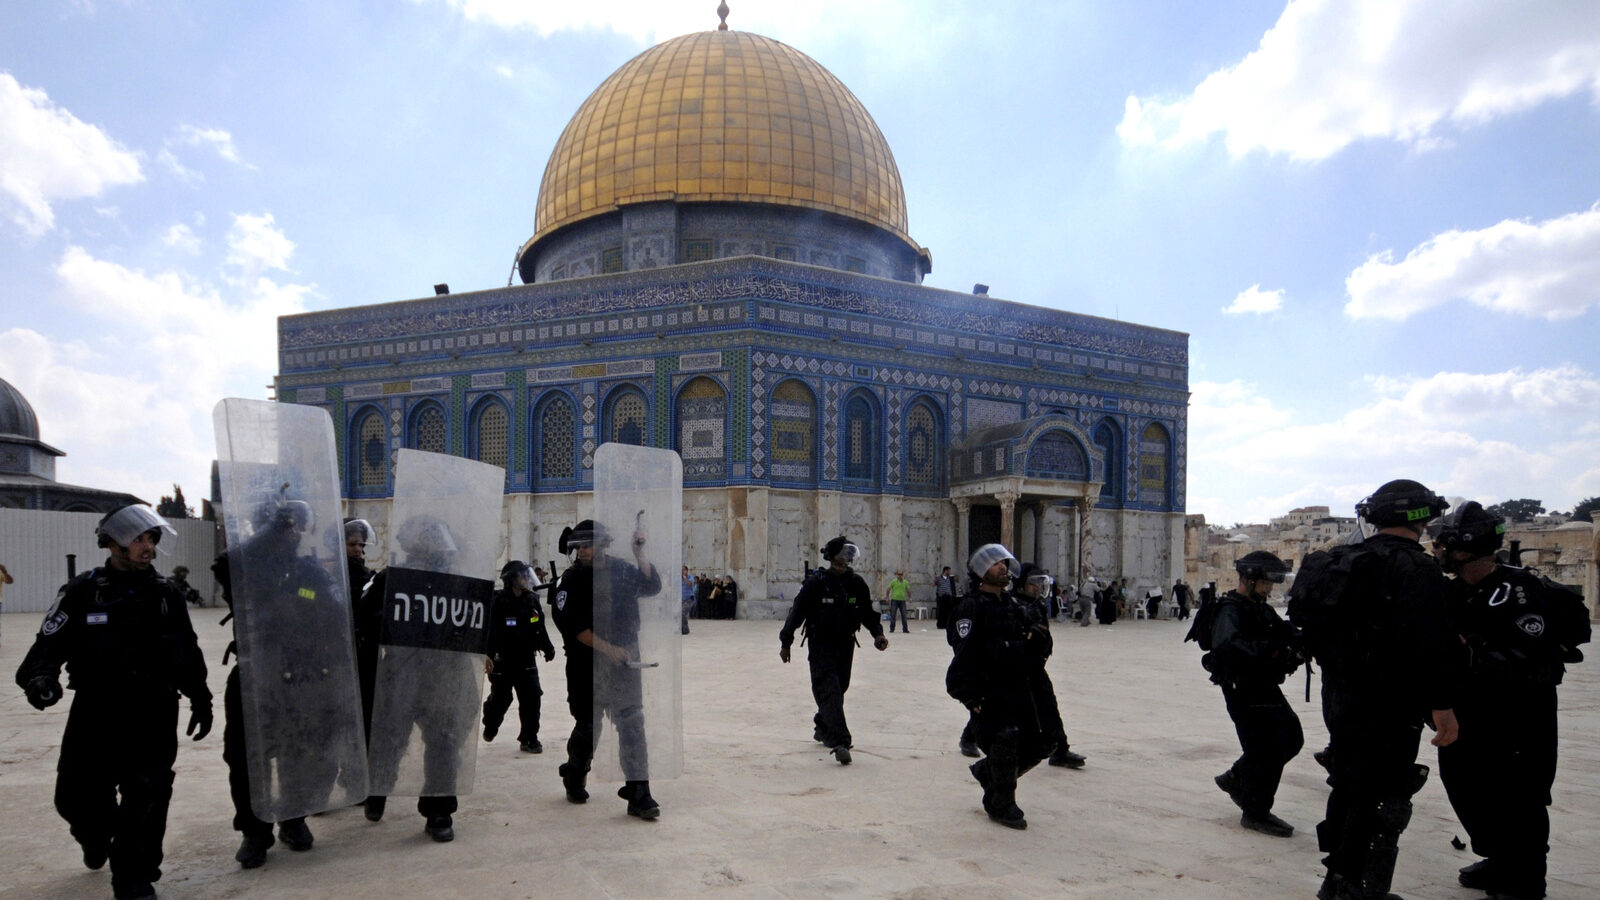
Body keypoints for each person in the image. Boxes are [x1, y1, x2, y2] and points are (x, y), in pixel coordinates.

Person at [15, 505, 212, 900]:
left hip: (153, 709)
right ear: (112, 542)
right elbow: (47, 645)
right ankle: (93, 837)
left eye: (152, 539)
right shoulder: (82, 590)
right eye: (139, 538)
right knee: (75, 797)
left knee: (149, 793)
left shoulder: (166, 595)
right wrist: (41, 678)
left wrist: (200, 698)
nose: (147, 547)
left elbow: (186, 651)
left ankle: (134, 878)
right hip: (97, 710)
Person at [1301, 479, 1461, 900]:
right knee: (1384, 796)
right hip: (1390, 704)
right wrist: (1442, 706)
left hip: (1340, 697)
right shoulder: (1417, 568)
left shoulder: (1338, 561)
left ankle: (1337, 880)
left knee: (1350, 783)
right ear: (1421, 519)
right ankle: (1361, 888)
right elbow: (1434, 644)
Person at [1432, 501, 1590, 900]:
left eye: (1444, 542)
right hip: (1467, 714)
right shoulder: (1450, 592)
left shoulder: (1523, 591)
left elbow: (1537, 654)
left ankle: (1525, 880)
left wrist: (1477, 654)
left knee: (1521, 798)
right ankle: (1499, 858)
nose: (1437, 549)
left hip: (1521, 715)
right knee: (1465, 787)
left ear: (1464, 546)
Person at [213, 495, 346, 868]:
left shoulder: (309, 573)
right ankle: (255, 832)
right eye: (285, 526)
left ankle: (293, 819)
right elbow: (225, 564)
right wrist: (270, 530)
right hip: (257, 673)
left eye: (296, 527)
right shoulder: (243, 567)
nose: (293, 534)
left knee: (300, 753)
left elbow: (334, 615)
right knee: (246, 757)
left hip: (301, 676)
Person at [551, 518, 664, 818]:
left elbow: (651, 586)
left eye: (587, 545)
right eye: (578, 546)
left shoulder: (620, 570)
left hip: (623, 662)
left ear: (602, 544)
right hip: (586, 664)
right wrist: (608, 649)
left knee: (631, 724)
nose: (583, 551)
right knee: (589, 727)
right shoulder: (570, 580)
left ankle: (639, 793)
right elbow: (572, 626)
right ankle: (575, 774)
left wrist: (639, 553)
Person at [946, 543, 1051, 830]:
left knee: (1040, 744)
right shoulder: (970, 607)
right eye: (995, 563)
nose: (1002, 567)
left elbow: (1039, 641)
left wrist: (1032, 642)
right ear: (981, 571)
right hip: (989, 689)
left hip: (1020, 685)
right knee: (1005, 738)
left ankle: (987, 772)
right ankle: (1001, 803)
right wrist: (968, 695)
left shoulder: (1014, 606)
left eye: (1004, 562)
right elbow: (967, 653)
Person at [1201, 551, 1304, 838]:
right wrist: (1271, 651)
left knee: (1290, 737)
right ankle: (1255, 811)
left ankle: (1236, 777)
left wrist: (1300, 642)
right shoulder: (1230, 610)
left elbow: (1283, 631)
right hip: (1242, 687)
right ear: (1248, 579)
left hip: (1263, 683)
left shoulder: (1258, 607)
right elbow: (1229, 647)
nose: (1269, 588)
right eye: (1265, 583)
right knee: (1267, 747)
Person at [779, 535, 889, 765]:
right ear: (834, 556)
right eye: (844, 553)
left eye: (850, 554)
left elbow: (867, 612)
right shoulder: (816, 582)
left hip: (845, 643)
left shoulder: (856, 583)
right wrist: (786, 641)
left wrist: (877, 633)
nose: (848, 558)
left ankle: (822, 724)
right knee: (828, 688)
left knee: (840, 687)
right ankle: (840, 742)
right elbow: (797, 612)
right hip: (820, 644)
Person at [1016, 564, 1086, 770]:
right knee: (1004, 708)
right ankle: (969, 737)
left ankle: (1060, 750)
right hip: (1016, 668)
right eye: (1033, 584)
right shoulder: (1012, 604)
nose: (1038, 588)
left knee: (1049, 707)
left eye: (1040, 584)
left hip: (1036, 667)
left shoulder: (1037, 604)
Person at [482, 561, 557, 754]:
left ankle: (529, 738)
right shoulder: (497, 601)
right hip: (502, 660)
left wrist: (548, 647)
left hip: (526, 659)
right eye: (522, 576)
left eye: (527, 575)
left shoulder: (531, 600)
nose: (526, 579)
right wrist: (487, 655)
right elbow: (488, 630)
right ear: (511, 580)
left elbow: (539, 626)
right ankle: (490, 724)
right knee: (501, 699)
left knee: (532, 698)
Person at [884, 570, 911, 634]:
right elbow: (888, 589)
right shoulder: (893, 581)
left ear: (902, 575)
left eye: (901, 574)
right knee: (893, 615)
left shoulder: (905, 582)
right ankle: (892, 629)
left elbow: (908, 590)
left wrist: (910, 598)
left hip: (902, 601)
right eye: (899, 574)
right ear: (897, 575)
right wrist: (887, 597)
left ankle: (905, 629)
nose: (900, 575)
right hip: (894, 600)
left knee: (904, 615)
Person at [680, 566, 695, 634]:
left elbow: (689, 584)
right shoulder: (677, 578)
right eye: (681, 570)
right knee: (679, 614)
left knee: (683, 612)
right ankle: (681, 629)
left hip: (689, 599)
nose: (682, 571)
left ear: (687, 571)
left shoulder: (690, 577)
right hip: (681, 600)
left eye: (684, 570)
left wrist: (685, 578)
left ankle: (685, 630)